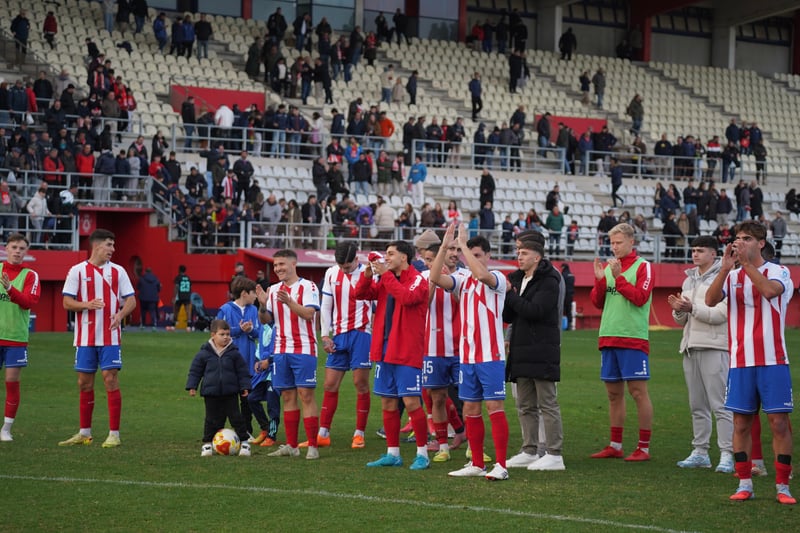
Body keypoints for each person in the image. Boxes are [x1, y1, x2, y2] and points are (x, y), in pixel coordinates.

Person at [705, 221, 795, 504]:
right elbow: (710, 300)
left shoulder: (779, 271)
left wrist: (745, 264)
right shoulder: (732, 276)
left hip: (773, 360)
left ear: (761, 243)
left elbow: (769, 291)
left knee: (779, 423)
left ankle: (782, 486)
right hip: (741, 361)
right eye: (737, 238)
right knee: (741, 423)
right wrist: (724, 269)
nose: (739, 242)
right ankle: (745, 482)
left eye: (746, 238)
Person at [430, 225, 510, 480]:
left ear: (487, 256)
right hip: (467, 357)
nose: (469, 258)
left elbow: (482, 275)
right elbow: (435, 278)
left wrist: (463, 246)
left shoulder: (497, 278)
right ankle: (477, 463)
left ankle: (501, 465)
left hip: (491, 356)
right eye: (468, 254)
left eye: (477, 255)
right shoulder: (462, 281)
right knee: (470, 409)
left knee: (494, 407)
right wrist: (444, 247)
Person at [354, 239, 431, 471]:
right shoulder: (387, 280)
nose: (385, 258)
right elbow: (360, 293)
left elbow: (407, 298)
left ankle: (422, 454)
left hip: (406, 350)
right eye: (385, 254)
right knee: (387, 401)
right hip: (384, 349)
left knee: (411, 401)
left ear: (404, 257)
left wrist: (385, 275)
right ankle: (393, 453)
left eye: (390, 254)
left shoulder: (418, 279)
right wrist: (367, 275)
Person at [59, 229, 136, 448]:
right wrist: (87, 304)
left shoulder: (118, 271)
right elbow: (66, 302)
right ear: (96, 246)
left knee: (110, 378)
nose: (113, 249)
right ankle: (85, 433)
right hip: (85, 337)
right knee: (84, 383)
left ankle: (114, 434)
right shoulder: (77, 271)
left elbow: (131, 300)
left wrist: (120, 315)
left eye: (113, 245)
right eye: (109, 244)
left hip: (110, 336)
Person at [667, 235, 734, 473]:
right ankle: (700, 452)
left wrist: (691, 308)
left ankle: (727, 454)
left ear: (713, 254)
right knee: (697, 404)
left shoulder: (725, 277)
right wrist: (678, 310)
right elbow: (682, 320)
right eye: (694, 250)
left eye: (700, 250)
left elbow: (720, 315)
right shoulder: (689, 280)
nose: (695, 254)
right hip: (690, 346)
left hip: (715, 347)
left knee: (721, 405)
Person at [589, 223, 655, 461]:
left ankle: (643, 448)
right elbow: (598, 302)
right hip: (608, 336)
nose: (614, 247)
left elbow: (640, 298)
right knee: (613, 395)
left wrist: (618, 278)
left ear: (631, 242)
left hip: (632, 337)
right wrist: (600, 280)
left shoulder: (643, 266)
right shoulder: (609, 267)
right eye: (612, 243)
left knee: (638, 392)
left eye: (619, 243)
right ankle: (615, 445)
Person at [503, 238, 565, 471]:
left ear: (537, 257)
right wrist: (508, 297)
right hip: (521, 349)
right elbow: (509, 315)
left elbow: (535, 311)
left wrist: (510, 296)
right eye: (518, 252)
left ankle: (554, 453)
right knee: (525, 404)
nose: (519, 257)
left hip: (542, 349)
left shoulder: (550, 280)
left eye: (524, 253)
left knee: (547, 403)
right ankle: (529, 450)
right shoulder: (517, 279)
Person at [254, 249, 320, 460]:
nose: (278, 269)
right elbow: (265, 320)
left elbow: (309, 314)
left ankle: (313, 446)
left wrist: (289, 302)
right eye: (275, 265)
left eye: (281, 264)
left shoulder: (308, 286)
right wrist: (262, 305)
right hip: (281, 350)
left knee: (306, 395)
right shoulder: (273, 290)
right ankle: (292, 445)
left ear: (293, 264)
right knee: (288, 396)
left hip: (304, 349)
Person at [314, 242, 373, 449]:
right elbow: (326, 306)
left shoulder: (369, 273)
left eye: (347, 267)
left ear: (356, 259)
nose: (344, 270)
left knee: (360, 383)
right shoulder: (331, 273)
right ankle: (323, 433)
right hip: (339, 335)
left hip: (362, 334)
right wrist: (325, 335)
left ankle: (359, 433)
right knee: (330, 384)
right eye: (341, 266)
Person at [420, 242, 468, 462]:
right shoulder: (423, 277)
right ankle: (442, 446)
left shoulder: (466, 276)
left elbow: (465, 302)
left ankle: (473, 447)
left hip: (462, 347)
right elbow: (424, 302)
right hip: (433, 348)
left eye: (457, 250)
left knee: (469, 399)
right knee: (437, 397)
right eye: (450, 250)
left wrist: (450, 281)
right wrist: (436, 278)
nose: (454, 254)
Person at [185, 319, 252, 457]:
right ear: (213, 335)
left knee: (236, 418)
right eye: (222, 334)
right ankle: (207, 444)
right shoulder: (204, 353)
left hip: (230, 392)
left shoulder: (234, 353)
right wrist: (192, 386)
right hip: (211, 393)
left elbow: (242, 371)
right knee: (211, 419)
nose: (226, 337)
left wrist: (245, 386)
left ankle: (245, 442)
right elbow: (195, 370)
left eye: (228, 334)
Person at [0, 234, 40, 442]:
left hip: (15, 337)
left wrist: (9, 288)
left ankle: (6, 429)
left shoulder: (30, 275)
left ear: (26, 251)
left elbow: (28, 302)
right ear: (6, 248)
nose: (17, 251)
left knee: (11, 381)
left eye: (21, 248)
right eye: (14, 247)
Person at [216, 277, 261, 437]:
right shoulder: (225, 310)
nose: (256, 296)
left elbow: (259, 333)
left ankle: (246, 431)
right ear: (244, 293)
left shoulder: (254, 310)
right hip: (229, 362)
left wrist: (250, 331)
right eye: (253, 293)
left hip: (248, 362)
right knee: (228, 399)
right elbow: (217, 333)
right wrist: (239, 330)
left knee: (247, 399)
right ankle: (219, 430)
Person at [173, 265, 192, 331]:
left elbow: (176, 287)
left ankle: (173, 325)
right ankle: (189, 326)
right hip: (187, 296)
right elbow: (190, 288)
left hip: (180, 296)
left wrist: (174, 297)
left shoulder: (178, 277)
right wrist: (189, 295)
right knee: (188, 311)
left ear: (179, 270)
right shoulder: (188, 278)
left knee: (176, 310)